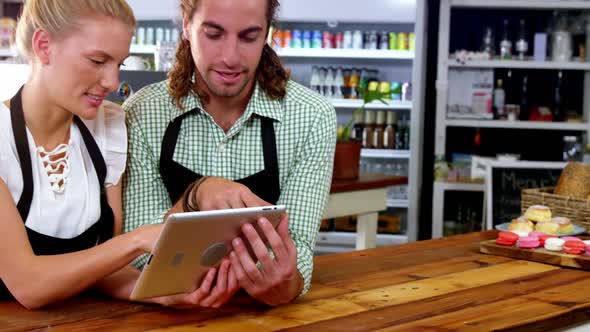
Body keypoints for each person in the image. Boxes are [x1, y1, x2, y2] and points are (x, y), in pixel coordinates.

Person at [0, 0, 236, 309]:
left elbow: (99, 269)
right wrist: (137, 240)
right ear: (44, 46)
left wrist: (163, 292)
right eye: (98, 61)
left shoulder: (107, 129)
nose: (112, 82)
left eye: (119, 64)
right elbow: (29, 285)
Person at [123, 0, 336, 306]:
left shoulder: (312, 117)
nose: (230, 58)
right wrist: (195, 196)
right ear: (186, 24)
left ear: (267, 33)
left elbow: (298, 250)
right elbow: (138, 252)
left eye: (249, 37)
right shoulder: (142, 113)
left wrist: (287, 284)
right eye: (213, 34)